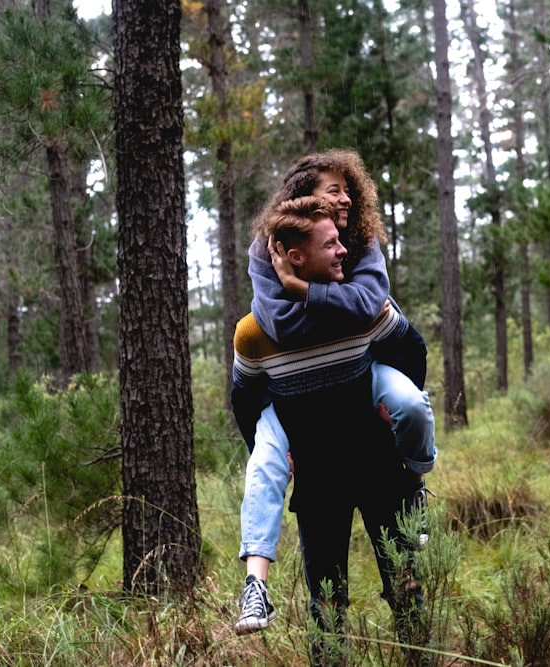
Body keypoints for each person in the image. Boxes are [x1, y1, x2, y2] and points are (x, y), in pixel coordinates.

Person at [234, 149, 436, 635]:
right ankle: (255, 586)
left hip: (380, 464)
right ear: (295, 251)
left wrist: (391, 403)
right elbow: (247, 398)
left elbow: (411, 348)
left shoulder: (364, 298)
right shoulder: (256, 325)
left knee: (407, 594)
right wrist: (282, 451)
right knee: (326, 608)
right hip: (319, 475)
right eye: (334, 191)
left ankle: (419, 481)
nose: (346, 201)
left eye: (349, 191)